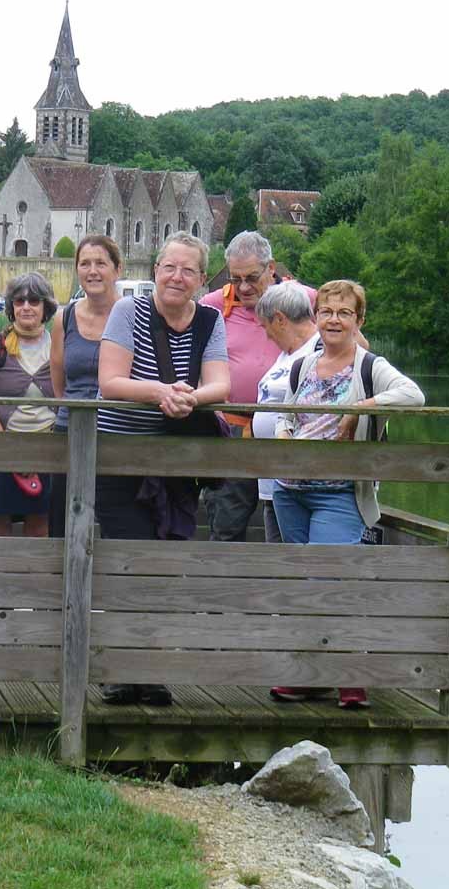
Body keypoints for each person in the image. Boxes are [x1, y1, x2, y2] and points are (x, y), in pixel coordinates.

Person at [270, 279, 425, 710]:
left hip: (339, 493)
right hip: (291, 492)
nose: (334, 320)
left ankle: (349, 676)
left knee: (329, 583)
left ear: (359, 320)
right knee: (305, 586)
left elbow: (414, 395)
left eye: (344, 313)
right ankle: (309, 677)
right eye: (326, 311)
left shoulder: (369, 366)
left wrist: (362, 408)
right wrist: (283, 437)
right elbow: (288, 416)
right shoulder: (303, 365)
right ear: (315, 317)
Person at [94, 231, 230, 706]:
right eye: (169, 267)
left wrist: (189, 396)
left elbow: (221, 385)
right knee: (131, 558)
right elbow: (110, 382)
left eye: (188, 269)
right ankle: (118, 670)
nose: (177, 277)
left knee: (165, 561)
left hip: (174, 460)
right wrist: (161, 392)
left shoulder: (211, 320)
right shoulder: (128, 311)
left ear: (200, 278)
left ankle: (148, 671)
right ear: (155, 270)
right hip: (120, 454)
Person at [198, 232, 317, 542]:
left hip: (290, 433)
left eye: (252, 277)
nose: (245, 287)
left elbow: (348, 338)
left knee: (284, 522)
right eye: (236, 278)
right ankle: (222, 587)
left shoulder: (305, 299)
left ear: (271, 268)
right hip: (232, 431)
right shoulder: (212, 305)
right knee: (225, 524)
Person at [0, 272, 58, 537]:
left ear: (46, 308)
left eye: (34, 300)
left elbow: (68, 402)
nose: (27, 306)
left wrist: (42, 450)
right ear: (11, 307)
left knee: (40, 527)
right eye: (19, 301)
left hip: (47, 452)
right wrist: (12, 452)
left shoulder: (59, 349)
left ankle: (34, 580)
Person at [48, 234, 122, 536]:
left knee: (116, 520)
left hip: (118, 430)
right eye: (85, 264)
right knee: (62, 522)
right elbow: (58, 384)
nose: (92, 271)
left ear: (117, 269)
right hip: (69, 432)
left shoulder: (135, 314)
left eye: (101, 263)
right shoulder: (63, 318)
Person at [252, 282, 322, 543]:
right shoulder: (285, 354)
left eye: (265, 326)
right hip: (272, 481)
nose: (266, 335)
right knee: (279, 562)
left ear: (280, 319)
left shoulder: (321, 349)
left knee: (295, 562)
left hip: (299, 484)